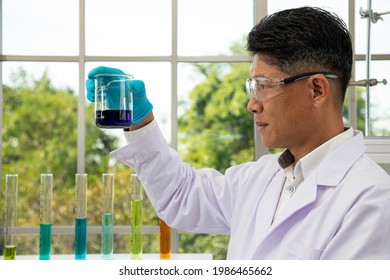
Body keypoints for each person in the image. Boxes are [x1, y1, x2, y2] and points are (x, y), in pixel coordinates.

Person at [86, 7, 390, 259]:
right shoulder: (260, 179)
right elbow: (180, 196)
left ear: (316, 89)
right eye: (252, 87)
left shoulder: (371, 200)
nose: (252, 104)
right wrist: (141, 122)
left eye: (264, 86)